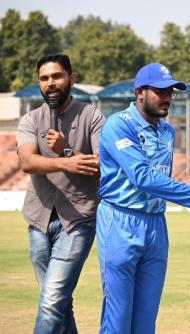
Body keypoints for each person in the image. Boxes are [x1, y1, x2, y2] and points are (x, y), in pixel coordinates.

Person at [96, 63, 190, 333]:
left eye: (171, 92)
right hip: (120, 222)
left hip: (156, 225)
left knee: (146, 320)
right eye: (161, 91)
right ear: (140, 92)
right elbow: (142, 177)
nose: (168, 97)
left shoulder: (168, 131)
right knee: (118, 319)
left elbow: (160, 180)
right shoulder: (118, 126)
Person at [16, 54, 104, 333]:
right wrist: (66, 162)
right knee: (56, 301)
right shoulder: (30, 119)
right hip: (38, 219)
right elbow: (27, 162)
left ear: (71, 78)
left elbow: (105, 165)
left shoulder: (92, 116)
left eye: (57, 76)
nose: (50, 83)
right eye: (44, 78)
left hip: (78, 221)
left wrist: (68, 149)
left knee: (52, 300)